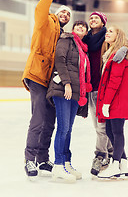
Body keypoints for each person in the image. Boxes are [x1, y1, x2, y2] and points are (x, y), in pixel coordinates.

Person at [22, 0, 72, 178]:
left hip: (51, 81)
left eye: (68, 14)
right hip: (36, 75)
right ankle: (30, 159)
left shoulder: (63, 35)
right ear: (56, 13)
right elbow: (40, 10)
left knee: (50, 120)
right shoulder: (46, 22)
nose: (66, 15)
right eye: (63, 11)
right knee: (39, 118)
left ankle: (43, 158)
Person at [46, 21, 92, 183]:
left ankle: (66, 162)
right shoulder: (66, 40)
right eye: (78, 26)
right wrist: (66, 83)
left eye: (83, 27)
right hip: (63, 89)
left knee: (68, 129)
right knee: (63, 128)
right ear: (73, 29)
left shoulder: (83, 49)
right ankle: (58, 166)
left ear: (86, 32)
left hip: (75, 92)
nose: (81, 27)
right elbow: (60, 60)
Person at [82, 12, 128, 176]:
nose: (93, 20)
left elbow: (124, 43)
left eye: (97, 18)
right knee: (99, 127)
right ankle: (117, 157)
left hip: (103, 89)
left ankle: (101, 156)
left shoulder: (108, 38)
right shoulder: (85, 40)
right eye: (91, 18)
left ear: (103, 23)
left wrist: (125, 48)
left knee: (103, 128)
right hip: (90, 88)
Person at [96, 25, 128, 179]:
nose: (107, 33)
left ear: (118, 36)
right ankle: (124, 163)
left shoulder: (118, 56)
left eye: (111, 31)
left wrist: (106, 103)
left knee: (116, 131)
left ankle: (115, 164)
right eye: (107, 31)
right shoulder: (111, 54)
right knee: (110, 131)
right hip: (114, 98)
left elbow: (114, 80)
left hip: (117, 99)